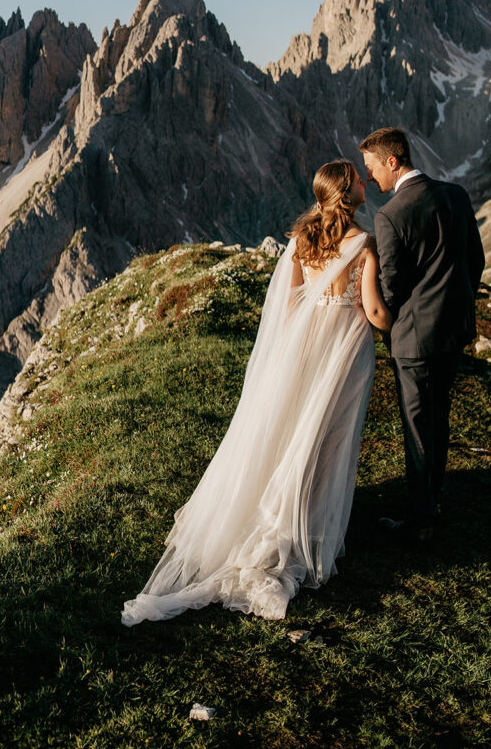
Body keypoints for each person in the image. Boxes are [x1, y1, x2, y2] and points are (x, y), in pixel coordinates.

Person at [121, 159, 391, 625]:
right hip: (343, 353)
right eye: (358, 178)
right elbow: (374, 311)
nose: (366, 182)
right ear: (348, 192)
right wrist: (405, 321)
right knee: (327, 441)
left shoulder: (301, 241)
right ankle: (306, 529)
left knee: (295, 435)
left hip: (304, 349)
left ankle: (284, 516)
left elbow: (288, 305)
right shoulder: (363, 245)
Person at [359, 127, 485, 541]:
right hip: (455, 330)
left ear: (392, 162)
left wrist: (389, 323)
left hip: (414, 339)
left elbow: (392, 288)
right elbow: (475, 261)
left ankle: (421, 518)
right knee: (440, 415)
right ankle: (433, 496)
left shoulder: (391, 215)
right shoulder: (456, 196)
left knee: (416, 424)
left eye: (373, 167)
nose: (372, 178)